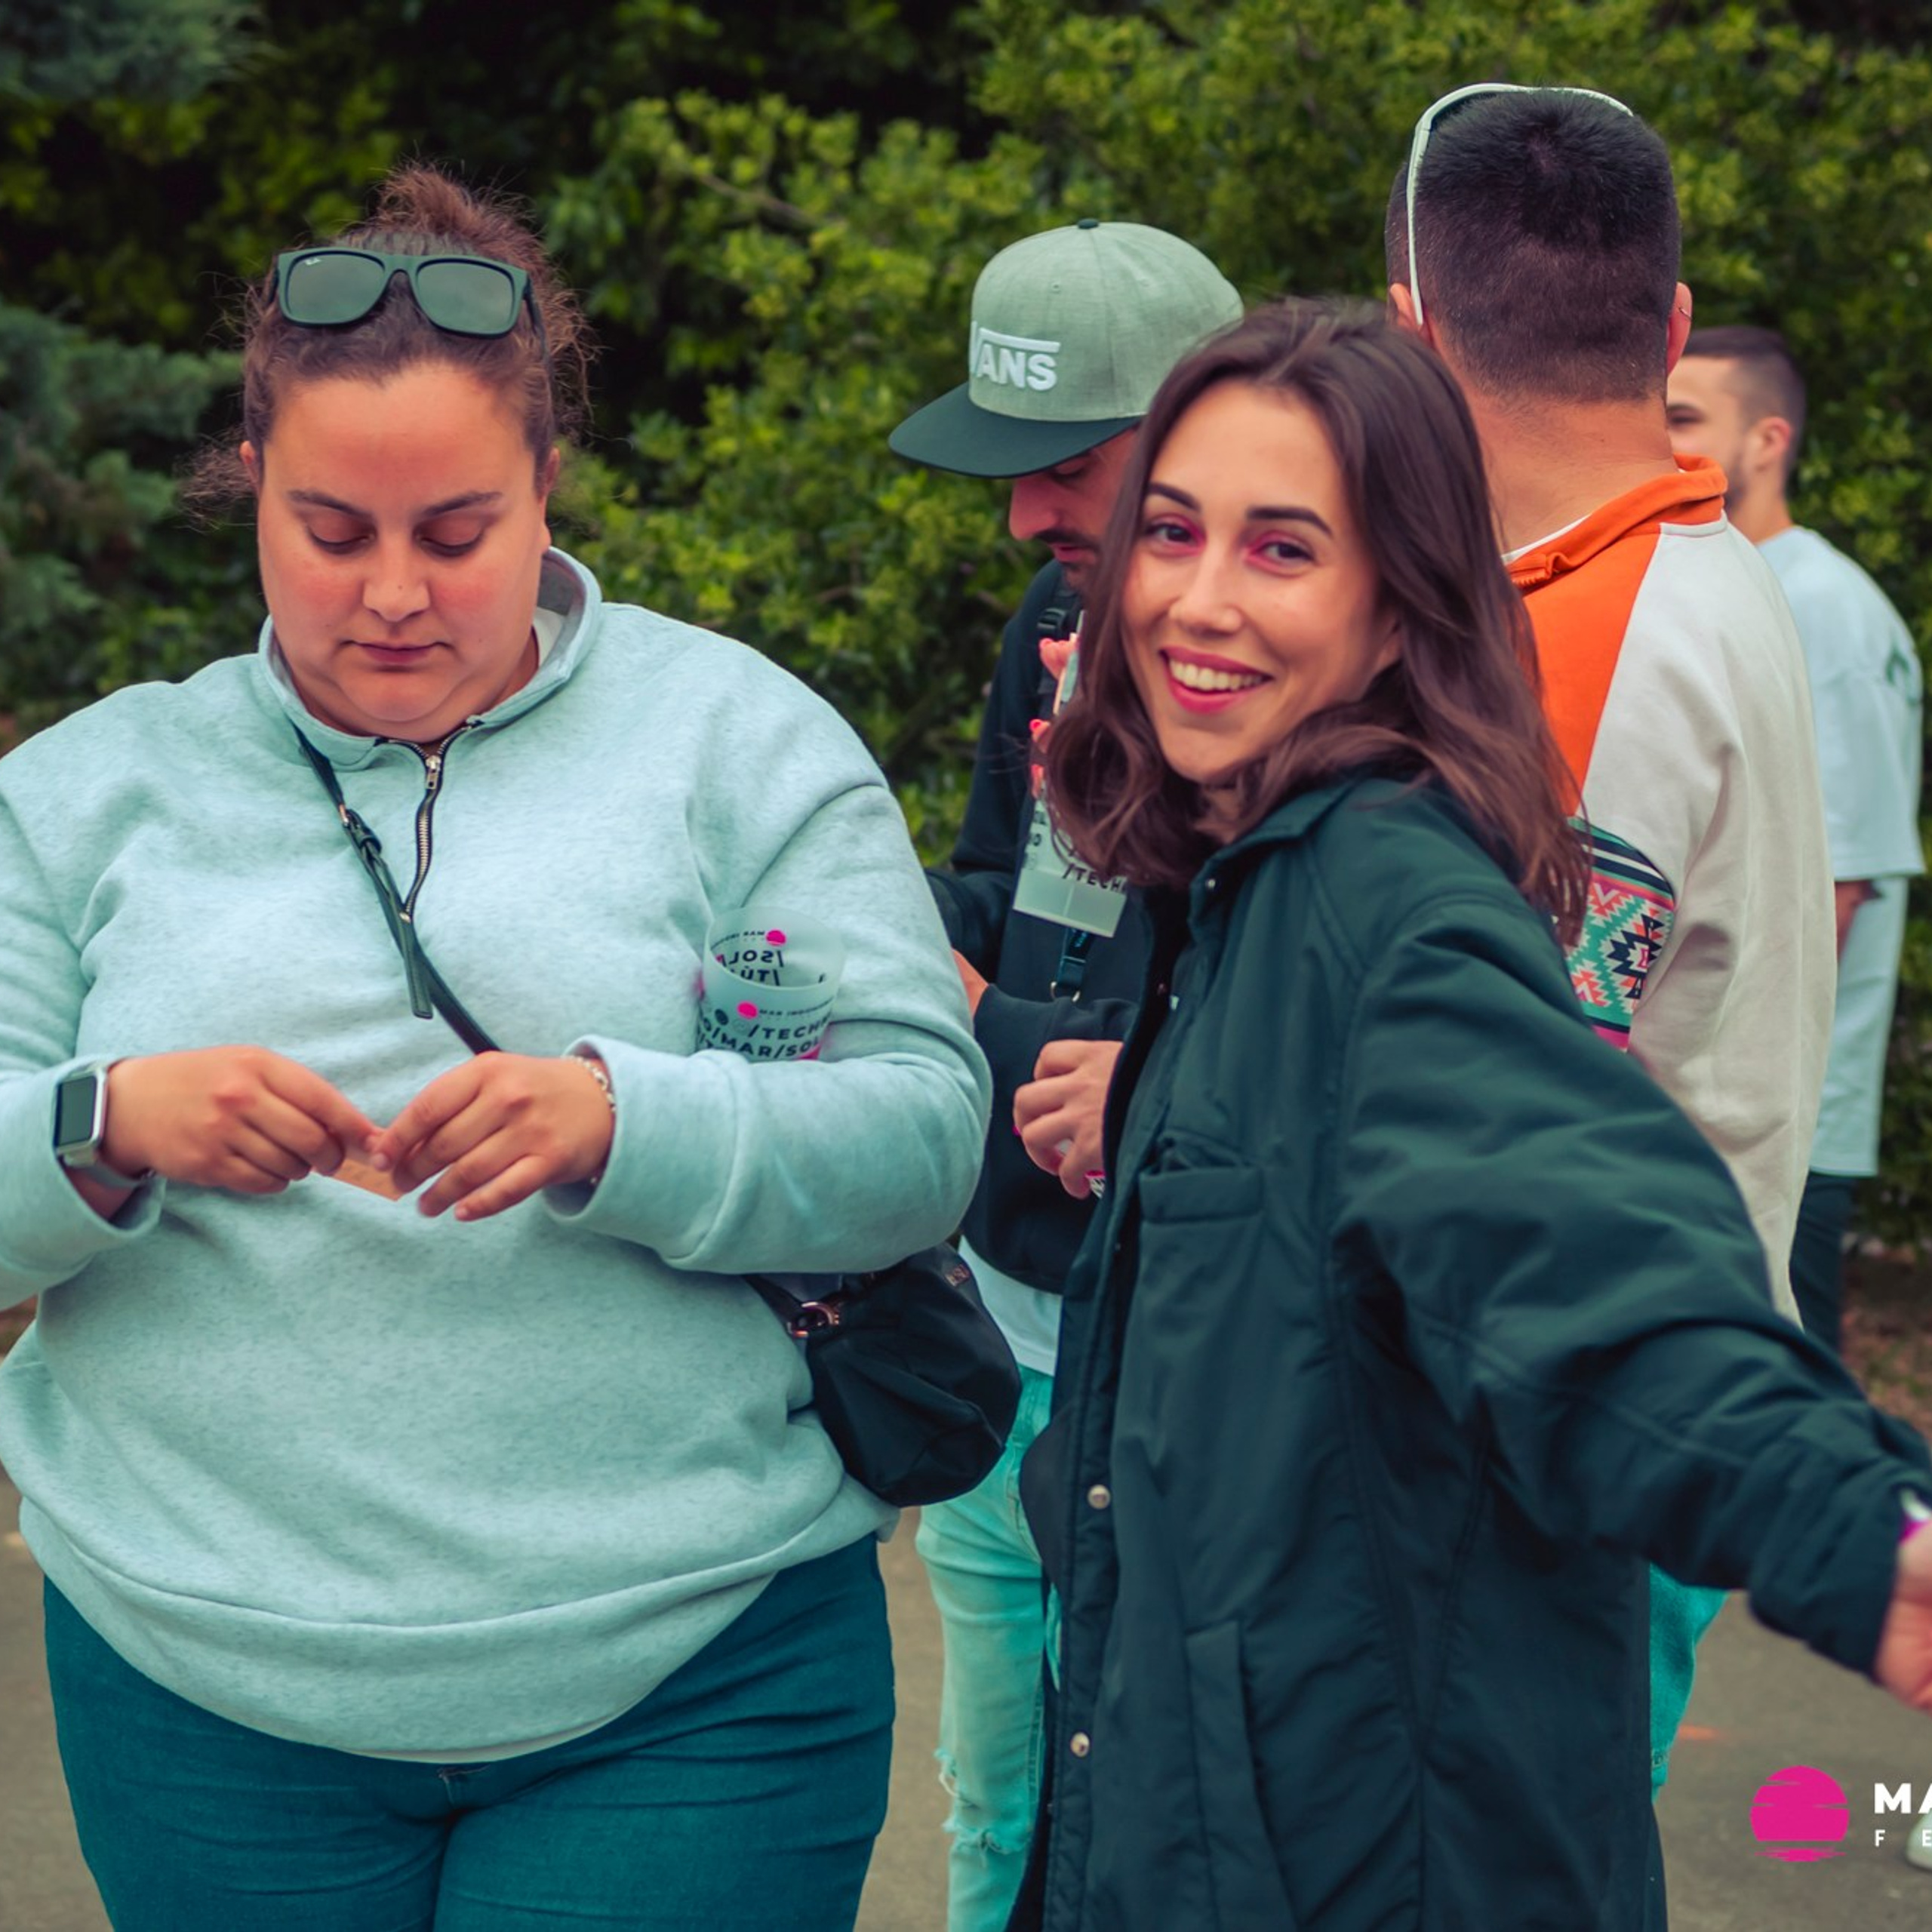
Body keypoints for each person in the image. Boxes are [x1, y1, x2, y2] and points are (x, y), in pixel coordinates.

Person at [0, 164, 989, 1932]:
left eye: (456, 532)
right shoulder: (84, 793)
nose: (392, 592)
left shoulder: (741, 744)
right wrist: (104, 1122)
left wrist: (632, 1121)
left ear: (547, 486)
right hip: (200, 1689)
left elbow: (922, 1132)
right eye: (330, 529)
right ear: (251, 488)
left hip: (697, 1681)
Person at [1014, 295, 1932, 1932]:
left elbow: (1583, 1255)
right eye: (1169, 529)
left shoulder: (1386, 908)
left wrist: (1853, 1528)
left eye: (1281, 549)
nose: (1194, 599)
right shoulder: (1221, 891)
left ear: (1396, 606)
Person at [1382, 84, 1838, 1847]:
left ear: (1410, 337)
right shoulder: (1683, 574)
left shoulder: (1585, 642)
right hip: (1634, 1371)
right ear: (1665, 329)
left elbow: (1481, 1088)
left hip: (1555, 1424)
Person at [887, 218, 1240, 1930]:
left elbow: (1236, 1064)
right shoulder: (1057, 611)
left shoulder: (1308, 674)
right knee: (991, 1815)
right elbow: (997, 907)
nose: (1025, 514)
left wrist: (984, 1024)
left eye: (1067, 466)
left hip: (1169, 1374)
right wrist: (858, 927)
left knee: (1148, 1839)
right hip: (995, 1327)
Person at [1666, 324, 1926, 1353]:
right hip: (1735, 1119)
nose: (1662, 437)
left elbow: (1840, 887)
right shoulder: (1742, 580)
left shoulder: (1825, 608)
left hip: (1784, 1129)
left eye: (1687, 419)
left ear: (1767, 441)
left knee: (1785, 1437)